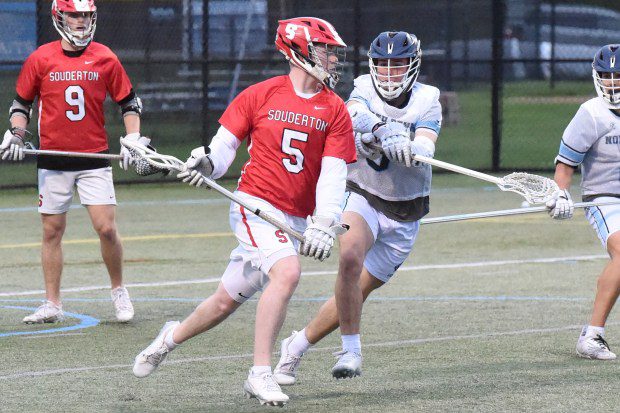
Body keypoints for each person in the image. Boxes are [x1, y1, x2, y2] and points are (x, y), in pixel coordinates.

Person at [132, 17, 356, 406]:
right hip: (255, 204)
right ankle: (260, 373)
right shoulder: (259, 94)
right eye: (326, 50)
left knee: (224, 302)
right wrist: (204, 163)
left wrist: (324, 222)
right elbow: (221, 152)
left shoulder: (335, 109)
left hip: (296, 216)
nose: (333, 59)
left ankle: (168, 339)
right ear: (300, 51)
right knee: (287, 273)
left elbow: (333, 175)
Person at [273, 31, 442, 384]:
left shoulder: (429, 99)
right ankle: (350, 349)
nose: (389, 73)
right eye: (382, 64)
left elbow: (426, 145)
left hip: (405, 212)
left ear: (413, 66)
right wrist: (381, 131)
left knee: (356, 293)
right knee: (349, 258)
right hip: (363, 193)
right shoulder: (363, 86)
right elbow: (353, 113)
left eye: (397, 66)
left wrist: (410, 148)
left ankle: (296, 345)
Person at [0, 0, 149, 324]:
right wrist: (15, 133)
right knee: (52, 230)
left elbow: (128, 103)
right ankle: (52, 302)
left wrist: (133, 138)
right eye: (74, 14)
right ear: (60, 16)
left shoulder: (105, 57)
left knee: (106, 228)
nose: (81, 21)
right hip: (53, 158)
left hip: (94, 156)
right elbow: (21, 105)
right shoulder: (41, 58)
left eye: (86, 15)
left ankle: (118, 290)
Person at [547, 44, 620, 360]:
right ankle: (592, 336)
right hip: (605, 199)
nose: (612, 82)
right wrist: (560, 192)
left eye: (618, 75)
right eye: (606, 75)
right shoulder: (591, 113)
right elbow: (565, 165)